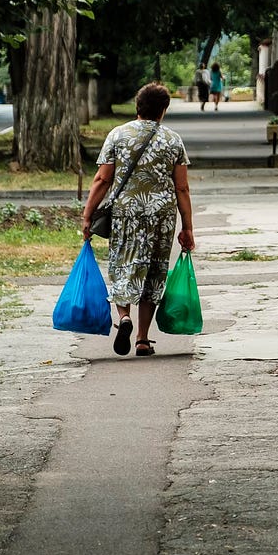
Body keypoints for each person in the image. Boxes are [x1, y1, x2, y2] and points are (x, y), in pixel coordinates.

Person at [81, 82, 196, 356]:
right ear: (163, 110)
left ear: (137, 106)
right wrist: (187, 227)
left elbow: (102, 178)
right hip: (161, 216)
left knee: (124, 265)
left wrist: (87, 215)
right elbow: (181, 187)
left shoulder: (118, 135)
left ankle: (124, 318)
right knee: (154, 271)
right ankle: (143, 340)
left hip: (126, 213)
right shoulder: (172, 140)